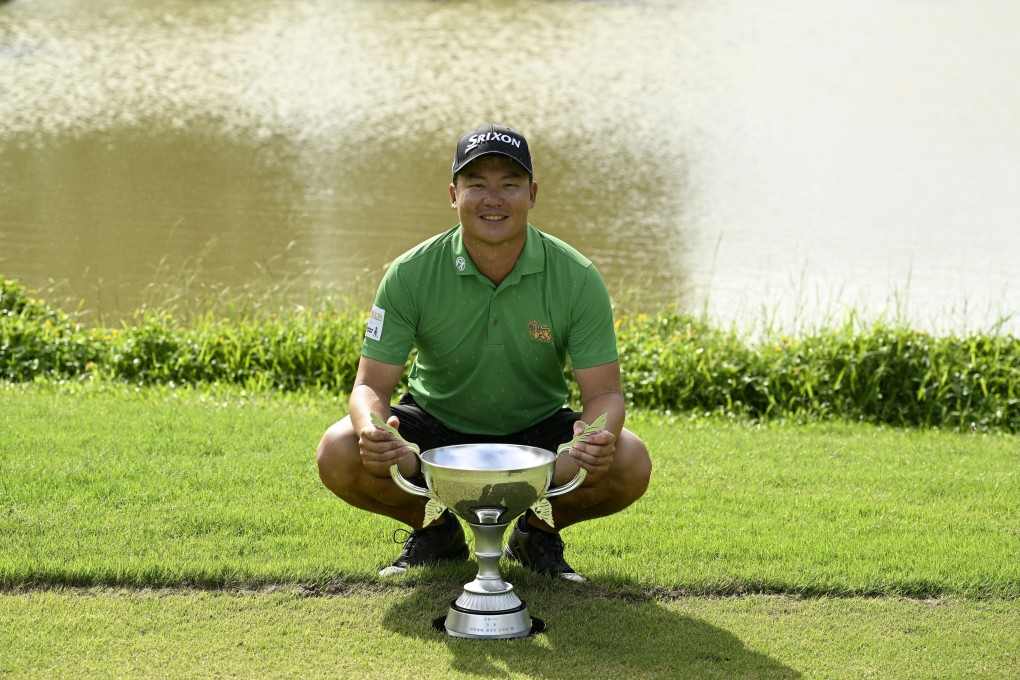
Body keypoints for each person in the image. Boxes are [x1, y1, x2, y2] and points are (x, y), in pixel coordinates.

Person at [316, 124, 651, 582]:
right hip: (435, 423)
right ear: (453, 194)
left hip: (536, 430)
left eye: (509, 185)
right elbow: (370, 385)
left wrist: (592, 439)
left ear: (532, 194)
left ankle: (536, 533)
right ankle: (435, 530)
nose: (493, 198)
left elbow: (606, 394)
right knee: (338, 448)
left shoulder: (577, 276)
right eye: (476, 184)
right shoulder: (409, 273)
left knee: (629, 459)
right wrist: (373, 431)